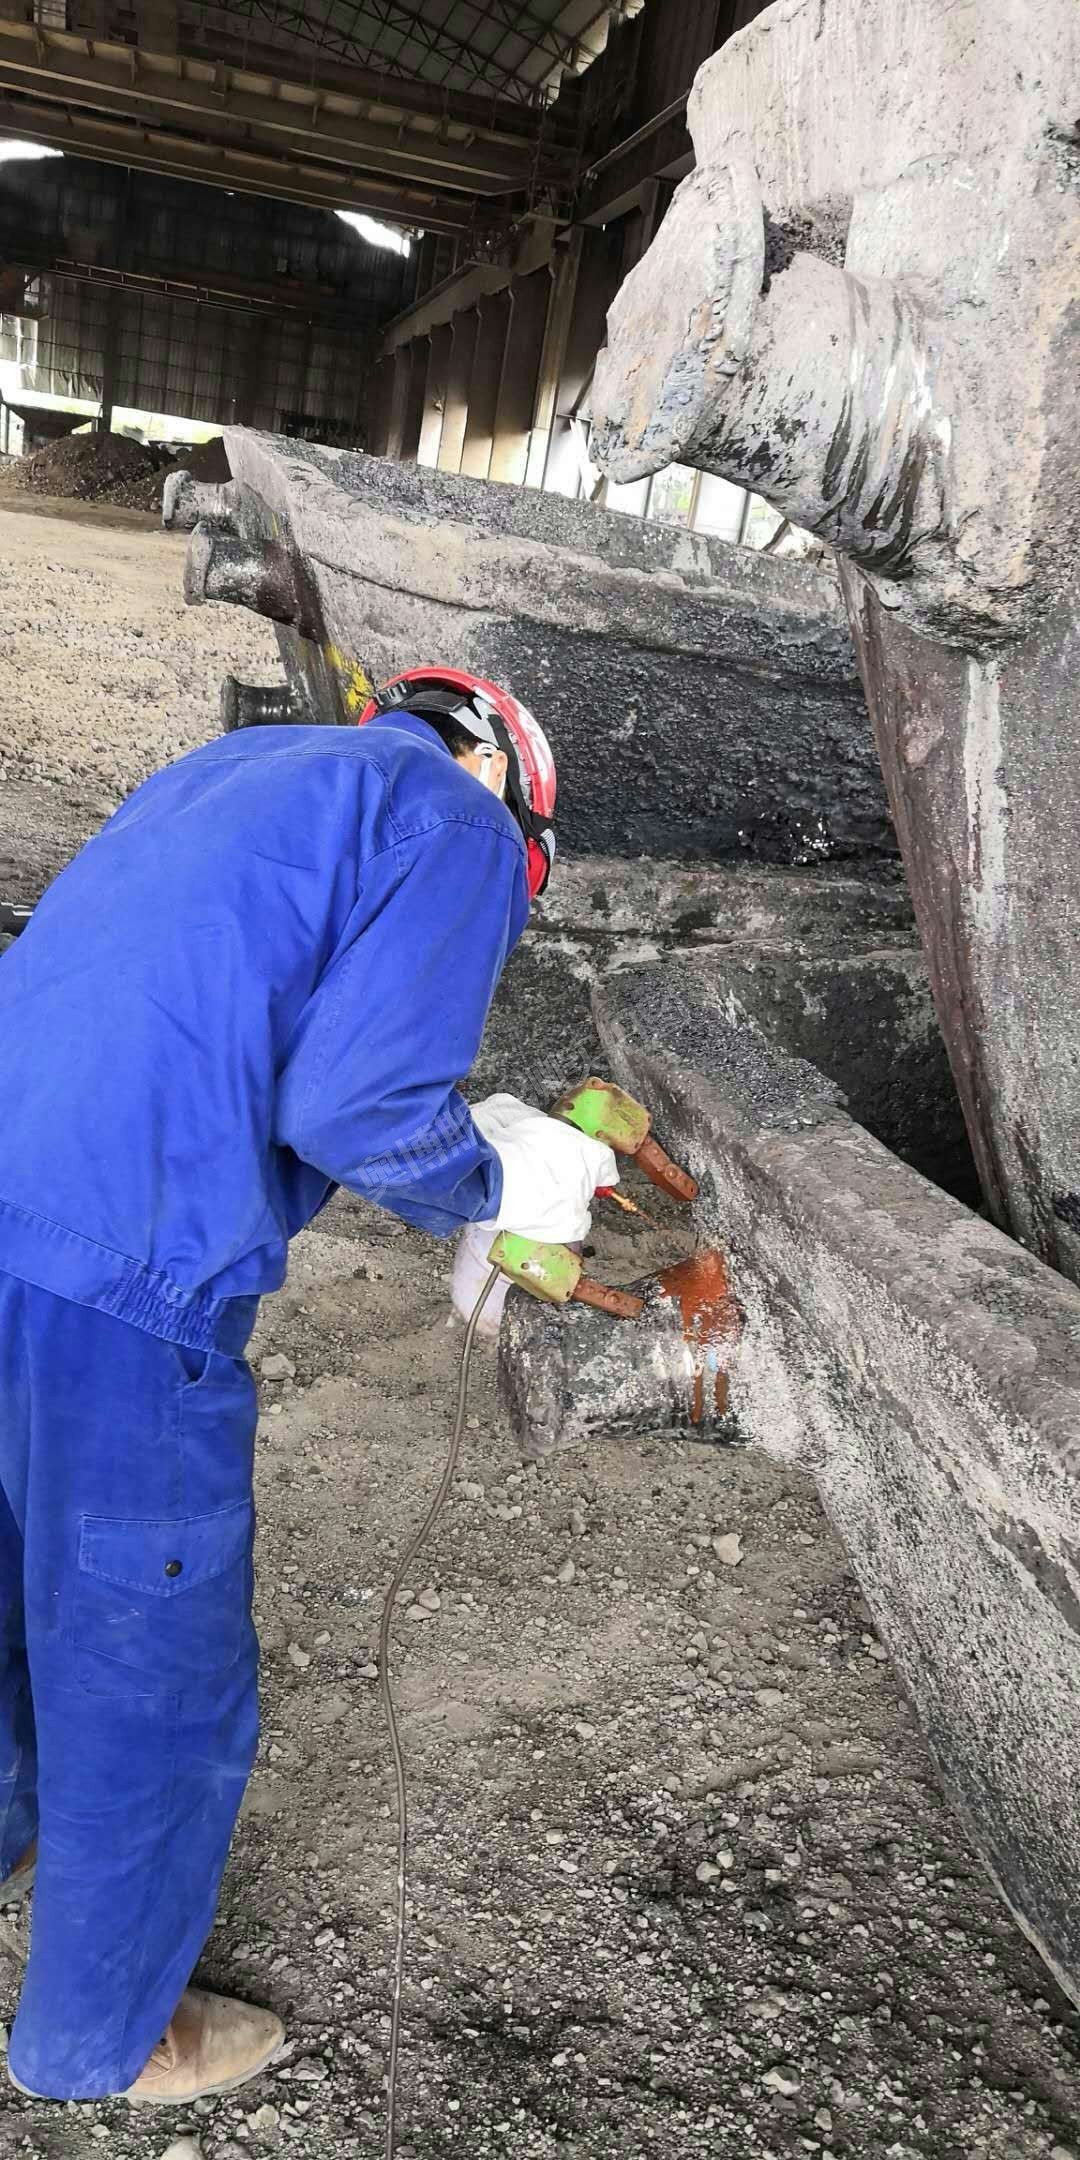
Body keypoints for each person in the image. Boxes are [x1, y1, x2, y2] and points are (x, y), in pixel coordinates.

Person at [0, 668, 618, 2107]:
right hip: (126, 1270)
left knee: (4, 1577)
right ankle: (100, 2042)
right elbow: (350, 1106)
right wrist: (495, 1182)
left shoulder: (230, 772)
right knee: (149, 1675)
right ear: (507, 787)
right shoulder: (461, 826)